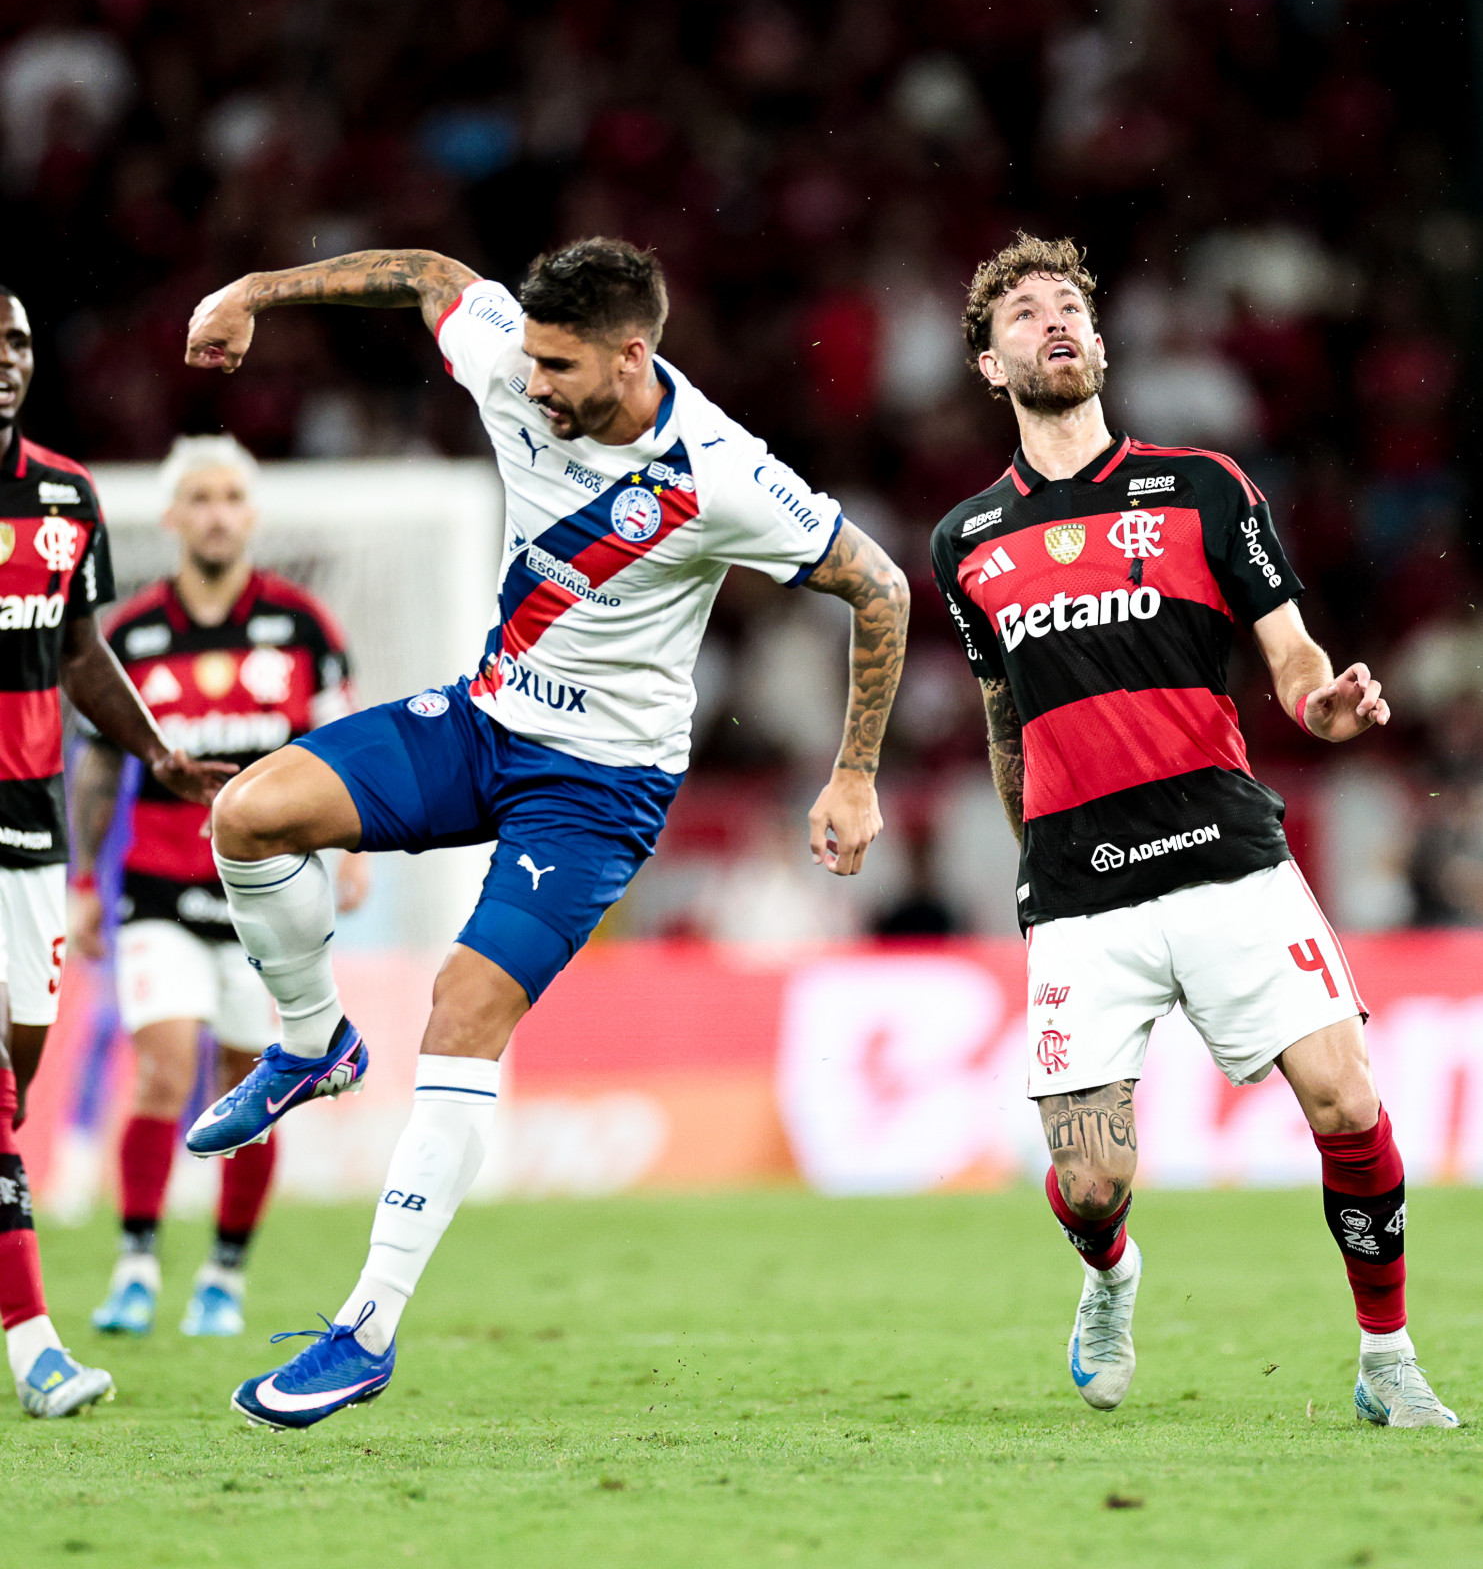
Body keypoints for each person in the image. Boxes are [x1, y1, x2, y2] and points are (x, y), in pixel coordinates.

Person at [182, 238, 909, 1428]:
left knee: (464, 1003)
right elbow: (427, 274)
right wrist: (252, 289)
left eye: (559, 366)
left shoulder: (719, 471)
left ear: (633, 356)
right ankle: (313, 1044)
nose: (529, 384)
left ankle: (364, 1330)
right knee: (248, 814)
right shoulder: (512, 360)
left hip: (597, 788)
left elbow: (877, 586)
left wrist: (854, 776)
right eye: (526, 354)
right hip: (482, 722)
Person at [931, 233, 1456, 1431]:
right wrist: (1035, 866)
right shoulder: (964, 543)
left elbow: (1293, 657)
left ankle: (1387, 1360)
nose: (1050, 321)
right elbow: (1003, 718)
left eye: (1068, 305)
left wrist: (1321, 702)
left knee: (1346, 1104)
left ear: (1102, 344)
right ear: (986, 363)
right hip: (1077, 894)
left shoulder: (1205, 488)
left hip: (1227, 858)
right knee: (1089, 1176)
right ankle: (1109, 1278)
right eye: (1020, 313)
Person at [69, 435, 371, 1340]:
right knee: (163, 1070)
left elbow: (342, 750)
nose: (215, 512)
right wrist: (87, 879)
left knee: (249, 1083)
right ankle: (133, 1265)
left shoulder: (303, 627)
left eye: (230, 496)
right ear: (170, 517)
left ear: (251, 514)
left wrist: (352, 852)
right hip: (157, 884)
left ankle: (225, 1275)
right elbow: (93, 767)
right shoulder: (129, 636)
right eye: (197, 497)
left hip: (271, 898)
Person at [0, 292, 230, 1417]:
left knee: (19, 1067)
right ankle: (34, 1345)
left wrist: (160, 755)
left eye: (19, 345)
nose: (5, 363)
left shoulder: (65, 495)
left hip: (32, 827)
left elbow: (81, 651)